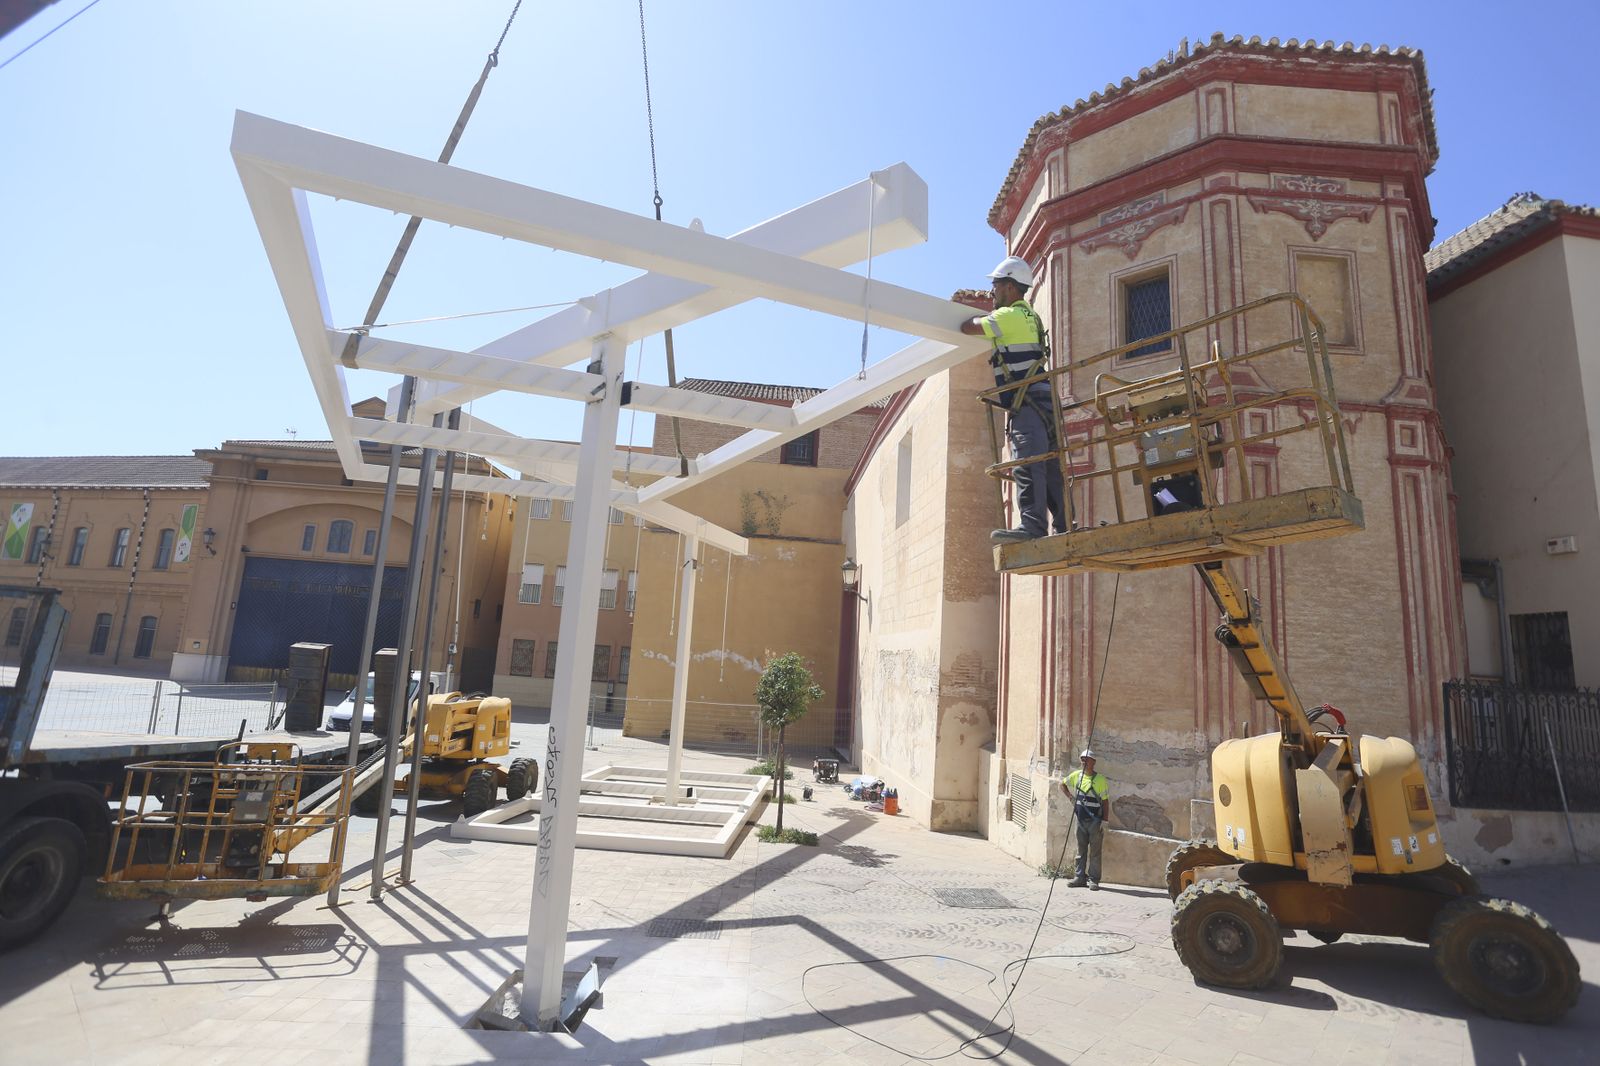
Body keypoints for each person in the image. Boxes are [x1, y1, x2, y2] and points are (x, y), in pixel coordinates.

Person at [960, 255, 1068, 542]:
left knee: (1028, 463)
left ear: (1010, 287)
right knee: (1049, 465)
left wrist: (971, 317)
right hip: (1046, 401)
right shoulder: (1032, 316)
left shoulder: (1007, 317)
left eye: (996, 286)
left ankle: (1032, 527)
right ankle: (1064, 525)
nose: (993, 292)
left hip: (1028, 403)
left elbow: (969, 327)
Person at [1061, 748, 1111, 889]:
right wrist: (1071, 798)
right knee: (1081, 850)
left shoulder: (1100, 780)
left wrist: (1105, 821)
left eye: (1086, 759)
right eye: (1082, 759)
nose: (1083, 762)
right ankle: (1079, 877)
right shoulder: (1076, 776)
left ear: (1093, 762)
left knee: (1095, 852)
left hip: (1095, 822)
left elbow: (1106, 801)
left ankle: (1094, 879)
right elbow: (1062, 784)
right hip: (1080, 820)